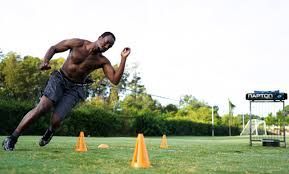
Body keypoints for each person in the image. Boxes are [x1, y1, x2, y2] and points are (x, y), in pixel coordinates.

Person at [2, 32, 131, 151]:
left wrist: (123, 58)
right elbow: (54, 48)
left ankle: (50, 131)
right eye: (106, 42)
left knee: (56, 121)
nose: (107, 46)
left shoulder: (102, 61)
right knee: (43, 107)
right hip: (59, 79)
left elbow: (114, 80)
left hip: (75, 88)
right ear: (100, 38)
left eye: (110, 45)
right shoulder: (78, 43)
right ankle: (12, 138)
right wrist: (45, 61)